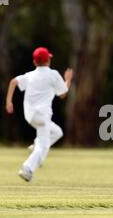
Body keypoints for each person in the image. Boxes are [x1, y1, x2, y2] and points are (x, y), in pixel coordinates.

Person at [5, 47, 73, 182]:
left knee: (57, 132)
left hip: (30, 116)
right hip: (42, 115)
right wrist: (68, 80)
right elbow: (62, 94)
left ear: (35, 62)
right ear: (48, 60)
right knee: (44, 146)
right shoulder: (53, 74)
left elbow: (13, 82)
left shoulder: (30, 75)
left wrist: (9, 102)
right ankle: (27, 168)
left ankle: (36, 148)